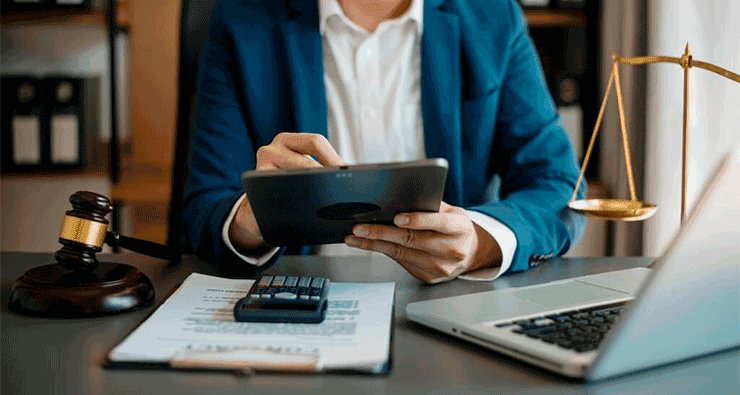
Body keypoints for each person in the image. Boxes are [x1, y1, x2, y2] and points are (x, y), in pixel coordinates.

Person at [182, 0, 586, 283]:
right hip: (296, 301)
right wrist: (254, 218)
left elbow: (557, 183)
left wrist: (478, 244)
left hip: (449, 303)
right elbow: (206, 203)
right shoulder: (243, 17)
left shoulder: (493, 15)